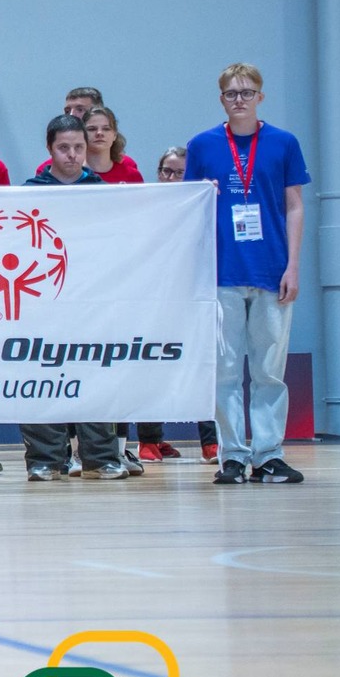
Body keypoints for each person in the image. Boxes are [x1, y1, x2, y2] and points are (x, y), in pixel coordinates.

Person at [186, 63, 308, 486]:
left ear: (261, 96)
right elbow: (190, 207)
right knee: (224, 371)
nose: (239, 99)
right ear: (221, 98)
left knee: (269, 371)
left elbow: (294, 206)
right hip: (223, 271)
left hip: (272, 270)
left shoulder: (283, 143)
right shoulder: (202, 145)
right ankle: (233, 457)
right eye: (231, 93)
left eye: (247, 92)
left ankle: (269, 455)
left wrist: (293, 265)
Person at [16, 115, 125, 480]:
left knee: (95, 374)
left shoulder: (101, 191)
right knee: (40, 375)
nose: (72, 155)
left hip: (91, 300)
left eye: (78, 147)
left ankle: (101, 456)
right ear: (50, 149)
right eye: (64, 148)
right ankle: (45, 459)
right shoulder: (30, 192)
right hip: (42, 300)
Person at [136, 145, 195, 462]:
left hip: (191, 294)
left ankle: (211, 442)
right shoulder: (148, 205)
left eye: (179, 173)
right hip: (152, 295)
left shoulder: (200, 205)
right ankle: (149, 439)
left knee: (201, 365)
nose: (171, 177)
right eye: (166, 171)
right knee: (149, 367)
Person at [83, 107, 143, 183]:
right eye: (92, 129)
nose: (99, 133)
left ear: (114, 135)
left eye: (106, 129)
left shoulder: (132, 175)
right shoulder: (73, 174)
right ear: (82, 134)